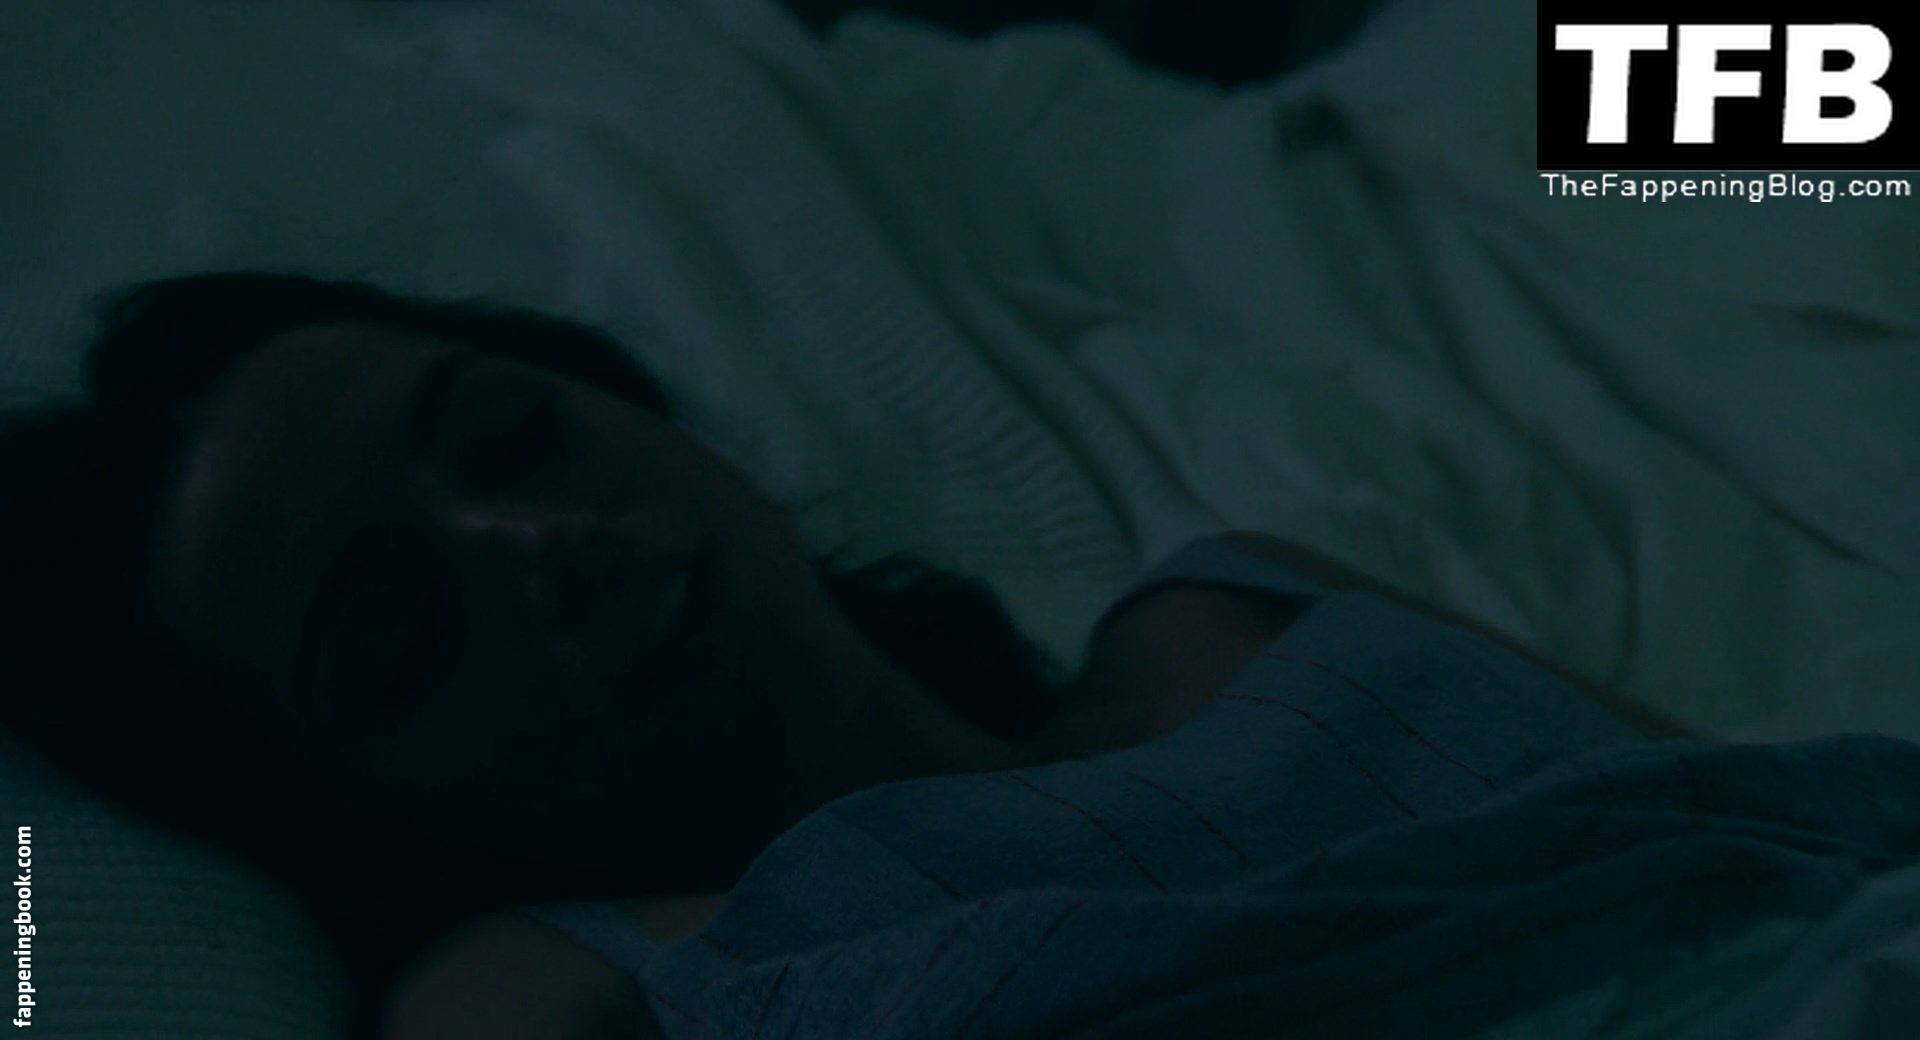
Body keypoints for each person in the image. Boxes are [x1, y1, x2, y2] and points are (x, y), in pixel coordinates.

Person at [0, 272, 1692, 1038]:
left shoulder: (1249, 602)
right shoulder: (560, 989)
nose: (530, 542)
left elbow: (1742, 798)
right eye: (402, 633)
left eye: (513, 436)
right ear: (350, 811)